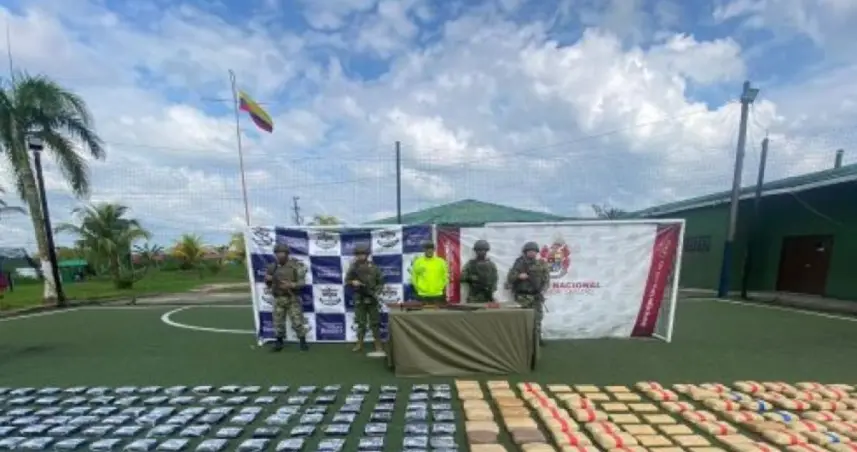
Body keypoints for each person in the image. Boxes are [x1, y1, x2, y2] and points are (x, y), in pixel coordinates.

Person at [265, 243, 310, 352]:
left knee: (297, 322)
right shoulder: (272, 267)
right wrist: (268, 280)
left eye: (282, 253)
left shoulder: (296, 266)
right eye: (277, 253)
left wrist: (291, 285)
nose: (280, 255)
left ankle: (303, 341)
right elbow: (268, 283)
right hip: (278, 298)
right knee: (278, 322)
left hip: (292, 298)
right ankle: (279, 342)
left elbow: (302, 283)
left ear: (287, 254)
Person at [507, 241, 550, 346]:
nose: (532, 253)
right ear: (525, 252)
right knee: (522, 319)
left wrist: (543, 290)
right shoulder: (519, 263)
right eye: (530, 251)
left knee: (537, 318)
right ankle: (523, 340)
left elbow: (546, 279)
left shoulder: (541, 264)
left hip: (536, 296)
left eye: (534, 251)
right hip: (523, 297)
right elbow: (510, 278)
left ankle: (537, 339)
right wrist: (519, 276)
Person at [344, 244, 385, 354]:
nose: (360, 256)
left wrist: (377, 292)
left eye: (363, 254)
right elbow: (347, 281)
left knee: (375, 322)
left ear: (367, 255)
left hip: (372, 297)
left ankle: (377, 342)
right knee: (361, 322)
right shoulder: (353, 267)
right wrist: (353, 282)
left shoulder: (374, 267)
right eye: (358, 254)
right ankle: (360, 342)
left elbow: (381, 282)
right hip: (359, 297)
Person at [410, 240, 448, 306]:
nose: (429, 250)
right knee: (423, 312)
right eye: (427, 249)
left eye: (431, 249)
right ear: (424, 250)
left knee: (438, 312)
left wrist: (440, 287)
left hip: (438, 295)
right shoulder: (418, 262)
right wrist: (419, 288)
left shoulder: (441, 262)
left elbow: (446, 276)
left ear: (434, 250)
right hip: (422, 295)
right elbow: (413, 278)